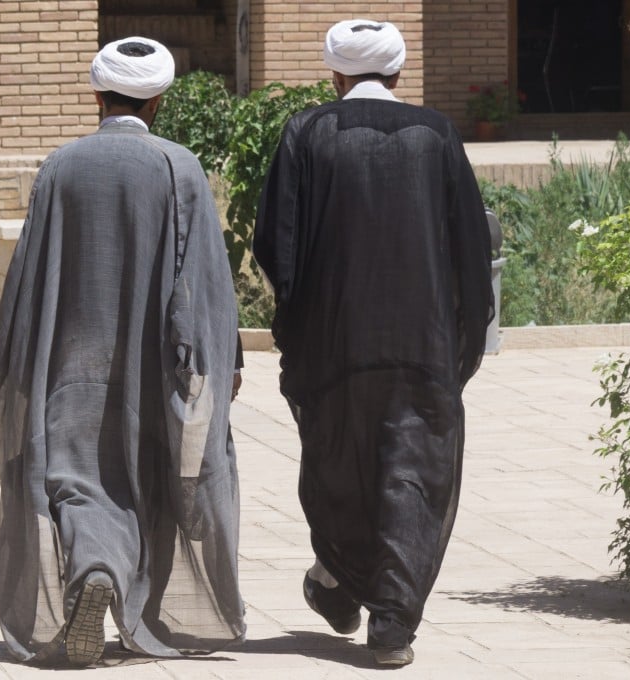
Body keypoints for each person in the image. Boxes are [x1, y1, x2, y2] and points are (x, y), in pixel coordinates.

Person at [0, 36, 245, 667]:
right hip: (149, 369)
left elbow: (28, 277)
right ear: (158, 101)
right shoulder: (178, 168)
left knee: (74, 478)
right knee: (142, 479)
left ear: (98, 96)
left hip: (67, 364)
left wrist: (17, 361)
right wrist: (219, 360)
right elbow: (203, 284)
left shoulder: (60, 166)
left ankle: (92, 572)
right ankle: (110, 582)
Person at [253, 19, 494, 667]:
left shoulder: (307, 131)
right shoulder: (436, 133)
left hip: (335, 341)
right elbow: (470, 243)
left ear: (335, 74)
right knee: (412, 471)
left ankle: (339, 578)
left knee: (339, 462)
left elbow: (277, 242)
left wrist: (297, 328)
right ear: (398, 72)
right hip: (423, 338)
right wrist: (465, 338)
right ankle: (389, 622)